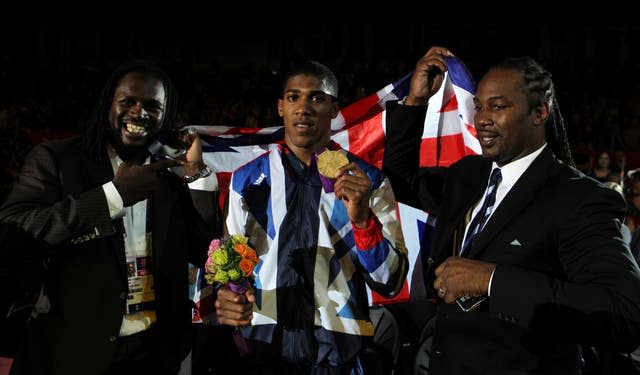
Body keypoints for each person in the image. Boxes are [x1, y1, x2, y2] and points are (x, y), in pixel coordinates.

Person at [382, 46, 640, 374]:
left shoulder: (580, 198)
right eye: (479, 107)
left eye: (498, 106)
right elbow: (399, 182)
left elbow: (624, 315)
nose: (483, 119)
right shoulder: (469, 175)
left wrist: (492, 281)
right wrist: (416, 102)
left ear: (539, 112)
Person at [0, 60, 222, 375]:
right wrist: (112, 197)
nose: (138, 112)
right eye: (127, 101)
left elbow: (206, 253)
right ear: (109, 105)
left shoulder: (172, 176)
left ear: (165, 115)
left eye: (151, 106)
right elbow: (12, 237)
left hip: (152, 356)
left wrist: (197, 174)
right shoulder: (58, 159)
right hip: (70, 354)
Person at [214, 60, 408, 374]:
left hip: (339, 351)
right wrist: (227, 296)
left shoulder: (367, 180)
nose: (303, 107)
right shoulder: (247, 181)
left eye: (317, 98)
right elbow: (230, 269)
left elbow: (390, 281)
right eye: (294, 97)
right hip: (264, 346)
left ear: (334, 109)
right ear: (280, 107)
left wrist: (362, 221)